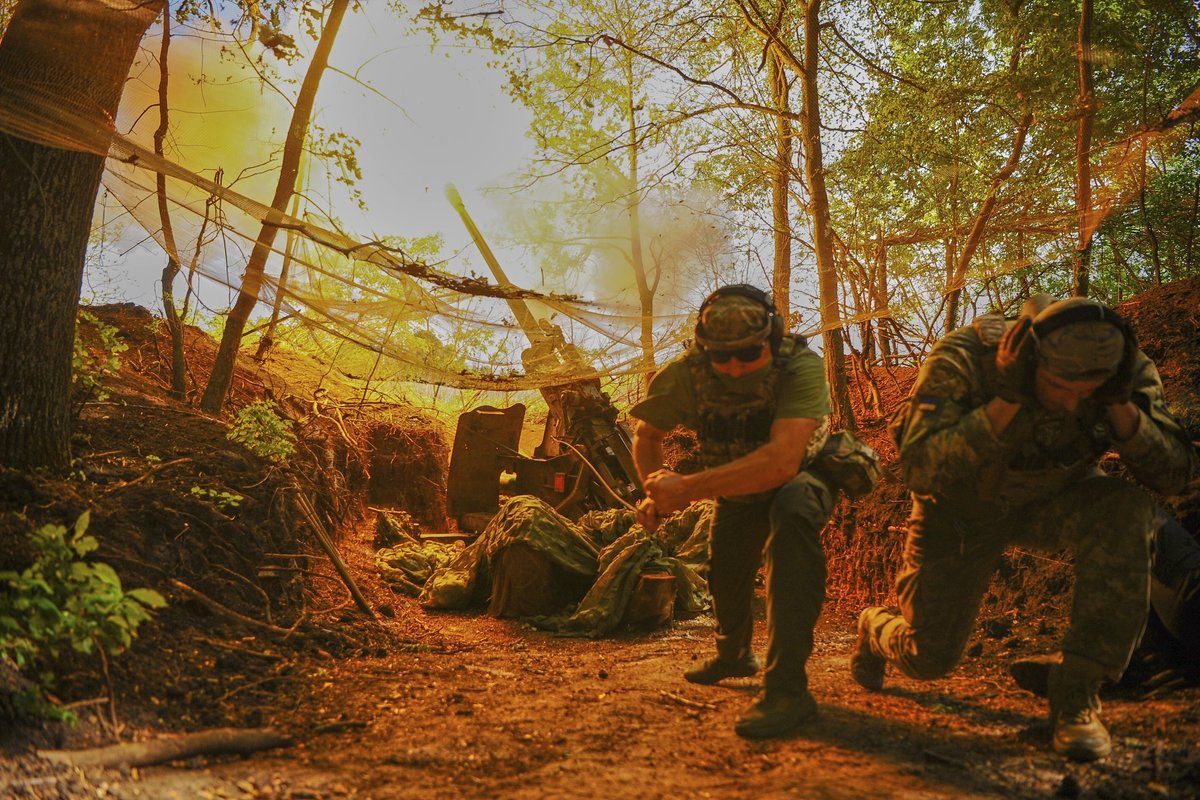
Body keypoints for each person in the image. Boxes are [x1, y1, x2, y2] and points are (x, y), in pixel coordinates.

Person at [850, 295, 1199, 761]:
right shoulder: (966, 359)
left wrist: (1121, 410)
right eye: (1058, 387)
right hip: (961, 510)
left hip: (1056, 498)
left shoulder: (1125, 368)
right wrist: (1005, 401)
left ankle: (1076, 696)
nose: (1073, 401)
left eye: (1087, 390)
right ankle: (875, 628)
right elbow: (917, 469)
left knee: (1126, 509)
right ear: (1030, 359)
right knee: (928, 657)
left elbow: (1176, 477)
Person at [628, 284, 834, 740]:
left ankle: (787, 690)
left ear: (772, 338)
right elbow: (647, 436)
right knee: (726, 569)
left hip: (801, 476)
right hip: (736, 488)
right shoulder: (687, 373)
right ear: (704, 351)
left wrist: (689, 488)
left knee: (793, 525)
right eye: (722, 358)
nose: (735, 367)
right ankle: (734, 654)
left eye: (747, 353)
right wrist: (656, 488)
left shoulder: (799, 365)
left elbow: (782, 461)